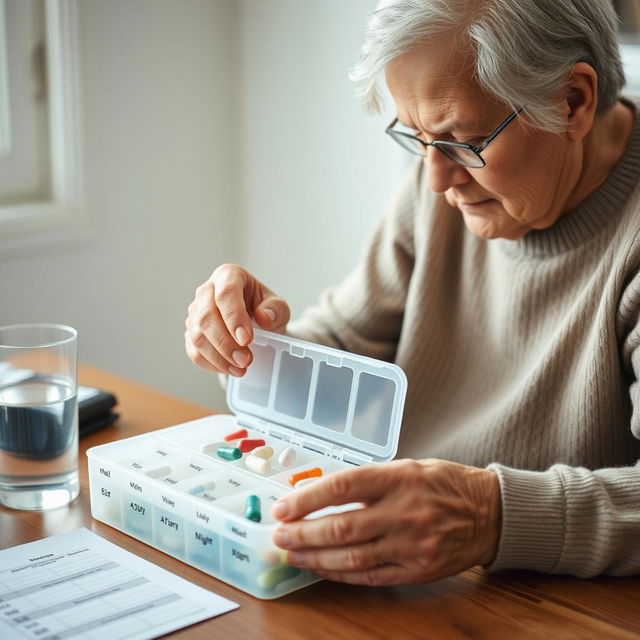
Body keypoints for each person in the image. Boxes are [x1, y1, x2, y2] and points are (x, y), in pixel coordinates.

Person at [185, 0, 640, 586]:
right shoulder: (447, 184)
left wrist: (490, 517)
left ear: (572, 101)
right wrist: (255, 346)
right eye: (417, 137)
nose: (435, 181)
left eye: (464, 140)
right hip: (402, 575)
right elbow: (345, 348)